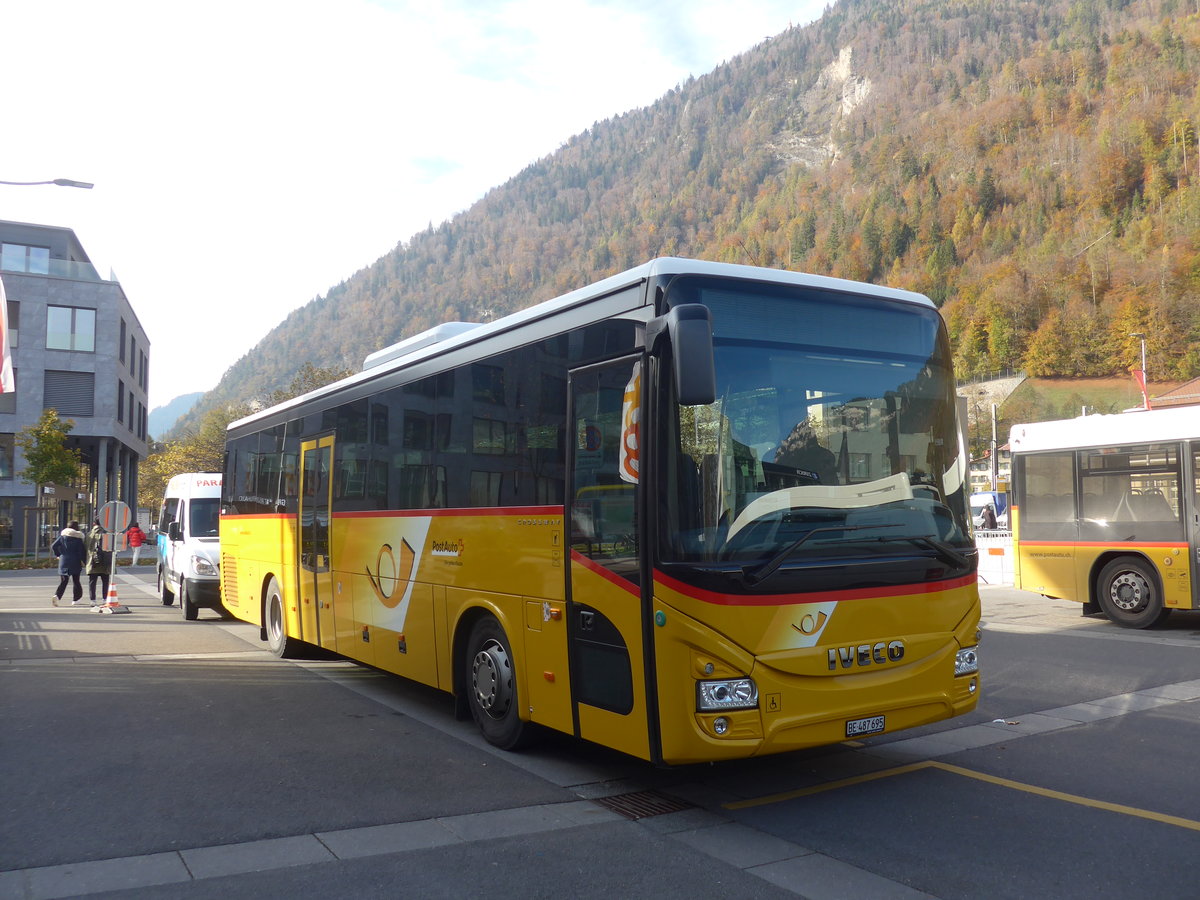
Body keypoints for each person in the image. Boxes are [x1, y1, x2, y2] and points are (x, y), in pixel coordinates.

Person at [51, 521, 86, 606]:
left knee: (64, 581)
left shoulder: (62, 537)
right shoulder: (78, 538)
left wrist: (58, 554)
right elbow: (81, 552)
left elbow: (53, 546)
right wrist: (85, 561)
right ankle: (76, 600)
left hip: (64, 560)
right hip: (75, 561)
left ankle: (57, 596)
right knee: (76, 581)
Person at [85, 519, 113, 606]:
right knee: (105, 581)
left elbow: (85, 547)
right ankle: (105, 599)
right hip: (105, 561)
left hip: (92, 561)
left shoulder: (89, 534)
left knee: (92, 582)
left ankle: (93, 600)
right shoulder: (107, 534)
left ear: (94, 524)